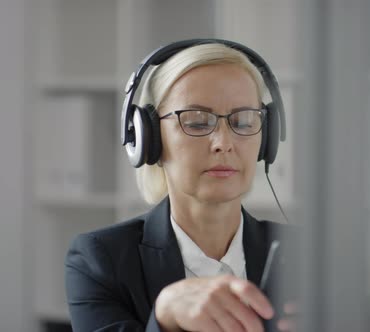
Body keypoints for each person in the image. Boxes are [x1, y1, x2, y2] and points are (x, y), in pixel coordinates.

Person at [65, 40, 295, 332]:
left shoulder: (306, 255)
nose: (223, 143)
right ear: (150, 139)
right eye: (197, 122)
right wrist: (163, 318)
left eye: (244, 120)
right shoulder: (99, 260)